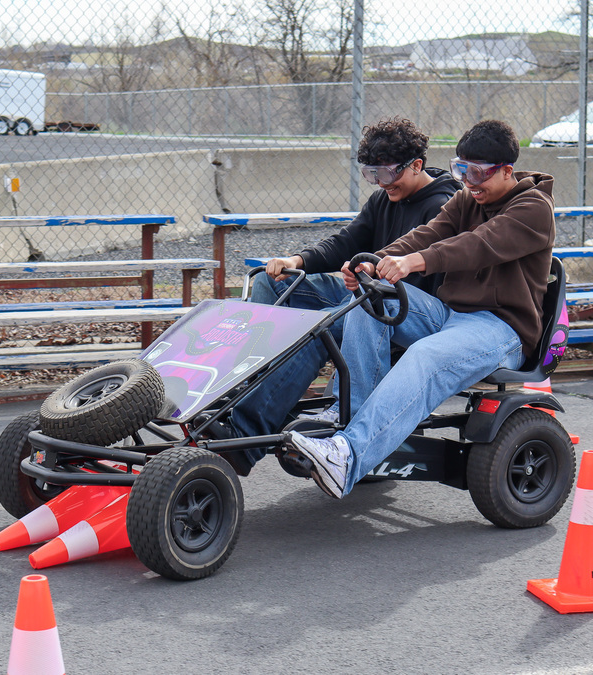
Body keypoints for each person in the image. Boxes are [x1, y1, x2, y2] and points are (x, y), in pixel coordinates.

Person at [282, 120, 556, 499]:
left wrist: (414, 262)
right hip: (450, 315)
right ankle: (352, 419)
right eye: (462, 170)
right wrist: (374, 262)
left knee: (425, 356)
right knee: (370, 298)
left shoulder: (533, 208)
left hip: (500, 329)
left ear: (507, 171)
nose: (470, 182)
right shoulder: (467, 198)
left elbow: (477, 245)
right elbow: (427, 233)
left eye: (478, 173)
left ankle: (347, 456)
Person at [209, 117, 461, 476]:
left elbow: (423, 281)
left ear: (416, 165)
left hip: (404, 306)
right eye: (371, 174)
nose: (379, 183)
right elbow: (346, 240)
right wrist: (297, 261)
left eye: (386, 174)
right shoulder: (383, 199)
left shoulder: (442, 206)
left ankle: (246, 434)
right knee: (274, 283)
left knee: (317, 328)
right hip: (364, 289)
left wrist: (368, 273)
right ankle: (238, 388)